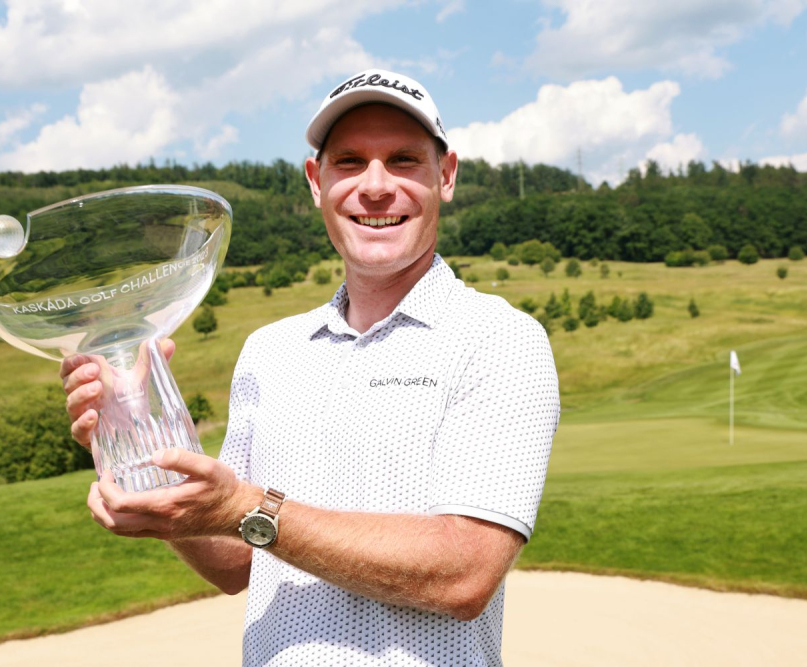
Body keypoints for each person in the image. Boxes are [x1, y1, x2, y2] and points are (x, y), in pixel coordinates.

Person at [61, 69, 560, 666]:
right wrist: (142, 442)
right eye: (349, 162)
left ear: (445, 176)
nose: (375, 188)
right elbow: (237, 562)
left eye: (403, 160)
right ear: (315, 181)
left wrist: (245, 507)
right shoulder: (270, 350)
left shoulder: (501, 339)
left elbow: (465, 574)